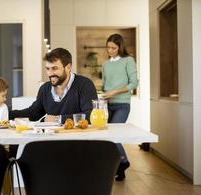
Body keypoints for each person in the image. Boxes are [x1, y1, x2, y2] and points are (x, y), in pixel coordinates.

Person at [9, 48, 97, 123]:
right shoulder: (45, 89)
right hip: (53, 139)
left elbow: (91, 116)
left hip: (78, 139)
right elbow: (33, 113)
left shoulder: (85, 85)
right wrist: (6, 114)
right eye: (47, 69)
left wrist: (58, 119)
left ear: (68, 67)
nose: (50, 73)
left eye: (54, 68)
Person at [102, 33, 138, 181]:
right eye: (108, 47)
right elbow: (105, 86)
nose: (110, 50)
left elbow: (134, 83)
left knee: (114, 135)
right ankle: (120, 168)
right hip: (108, 104)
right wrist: (103, 95)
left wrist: (115, 92)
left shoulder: (128, 60)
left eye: (113, 48)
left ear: (120, 47)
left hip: (122, 104)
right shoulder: (105, 64)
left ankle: (123, 162)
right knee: (106, 137)